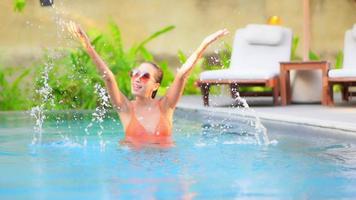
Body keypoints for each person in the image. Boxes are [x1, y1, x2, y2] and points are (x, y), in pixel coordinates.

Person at [67, 21, 229, 148]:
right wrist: (87, 45)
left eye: (145, 76)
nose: (137, 78)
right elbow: (108, 77)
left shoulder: (165, 106)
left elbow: (181, 75)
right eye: (135, 74)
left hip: (164, 168)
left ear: (155, 86)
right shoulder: (125, 108)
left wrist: (204, 45)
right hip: (134, 170)